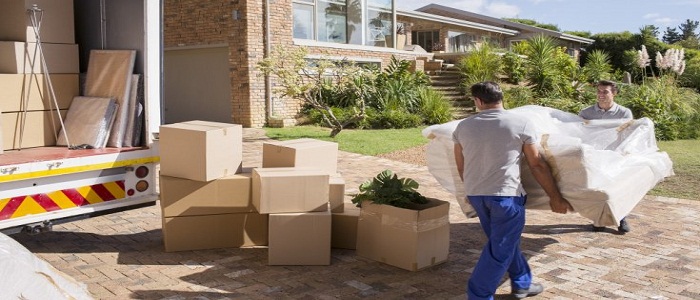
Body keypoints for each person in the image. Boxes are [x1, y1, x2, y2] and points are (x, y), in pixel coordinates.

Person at [453, 81, 572, 299]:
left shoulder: (463, 126)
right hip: (505, 196)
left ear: (478, 101)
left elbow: (461, 165)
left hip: (477, 195)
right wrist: (555, 197)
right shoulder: (520, 123)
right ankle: (478, 295)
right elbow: (537, 164)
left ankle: (522, 283)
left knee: (505, 241)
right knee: (501, 248)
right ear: (501, 99)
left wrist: (469, 191)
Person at [578, 80, 633, 233]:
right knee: (597, 189)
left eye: (605, 92)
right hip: (594, 156)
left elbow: (627, 135)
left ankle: (621, 218)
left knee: (617, 188)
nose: (601, 95)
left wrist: (623, 154)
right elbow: (579, 133)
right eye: (599, 91)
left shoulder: (624, 113)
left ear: (614, 94)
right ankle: (599, 219)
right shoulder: (586, 113)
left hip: (615, 156)